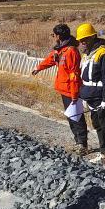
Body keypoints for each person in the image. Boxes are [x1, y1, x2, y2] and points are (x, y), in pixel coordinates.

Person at [32, 23, 87, 155]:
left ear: (58, 36)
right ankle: (78, 141)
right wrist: (38, 68)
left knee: (76, 117)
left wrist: (74, 94)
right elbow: (50, 59)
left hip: (71, 90)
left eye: (54, 35)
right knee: (71, 117)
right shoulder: (61, 50)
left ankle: (82, 144)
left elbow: (74, 74)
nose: (53, 37)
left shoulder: (71, 51)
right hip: (64, 89)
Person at [75, 23, 105, 167]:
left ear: (93, 36)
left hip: (101, 97)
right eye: (81, 40)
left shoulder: (104, 53)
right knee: (98, 125)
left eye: (85, 38)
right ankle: (104, 153)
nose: (82, 42)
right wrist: (83, 96)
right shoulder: (87, 54)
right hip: (90, 97)